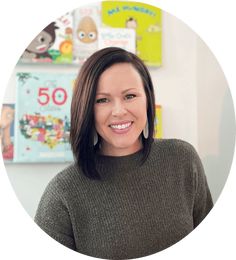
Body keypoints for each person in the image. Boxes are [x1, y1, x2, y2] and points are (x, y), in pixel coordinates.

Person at [34, 47, 213, 259]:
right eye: (102, 100)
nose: (119, 111)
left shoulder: (183, 159)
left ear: (147, 99)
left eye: (130, 96)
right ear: (86, 108)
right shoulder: (63, 192)